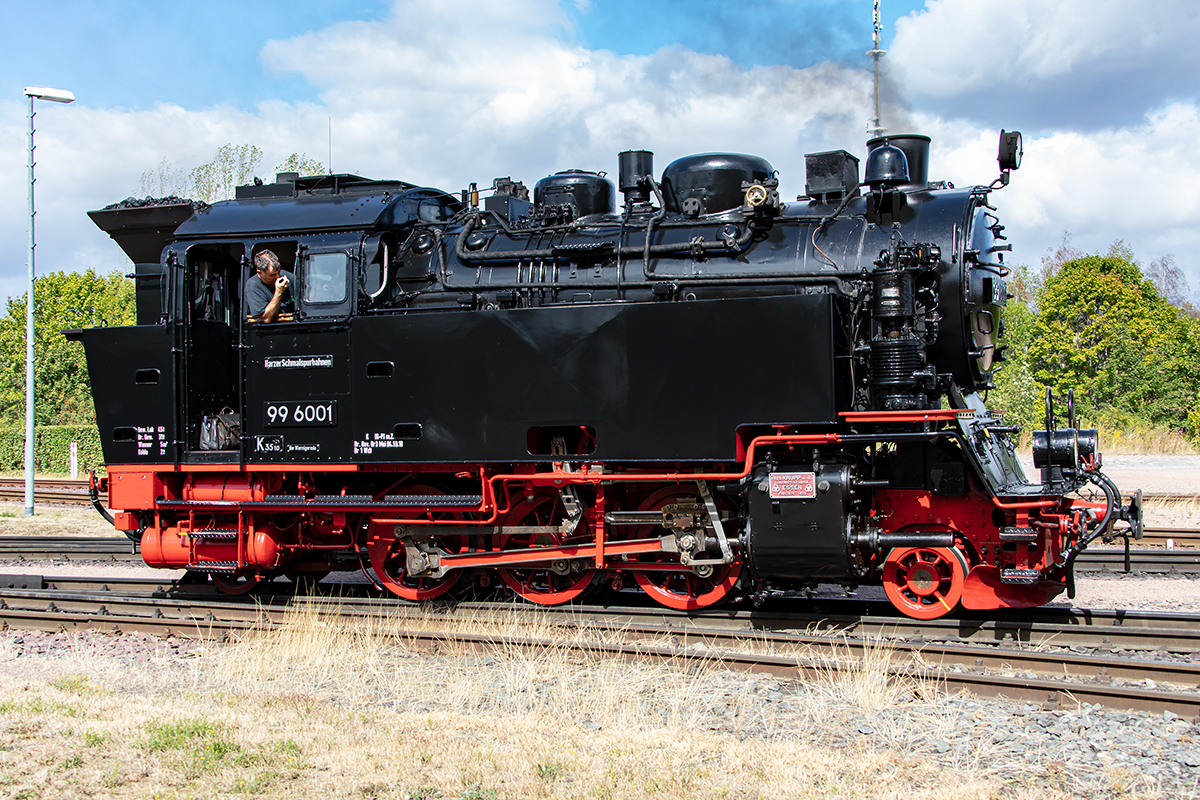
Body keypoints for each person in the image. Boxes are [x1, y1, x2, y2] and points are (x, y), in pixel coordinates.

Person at [244, 249, 295, 322]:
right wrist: (279, 292)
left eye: (278, 272)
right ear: (259, 272)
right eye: (272, 275)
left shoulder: (286, 276)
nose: (277, 277)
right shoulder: (253, 286)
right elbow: (267, 318)